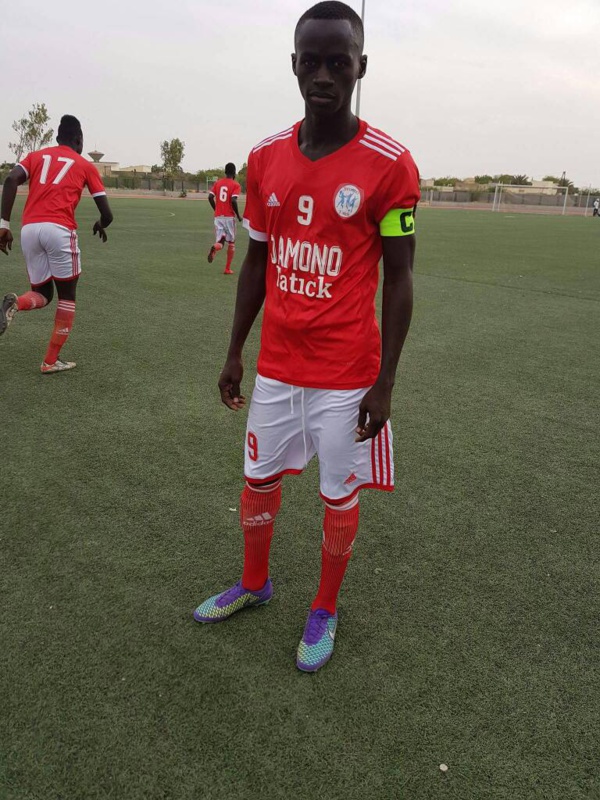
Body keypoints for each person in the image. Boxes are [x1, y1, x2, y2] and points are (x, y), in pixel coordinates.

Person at [193, 0, 420, 672]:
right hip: (277, 367)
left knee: (335, 496)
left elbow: (401, 280)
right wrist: (236, 349)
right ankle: (255, 585)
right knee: (257, 478)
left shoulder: (390, 164)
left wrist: (385, 383)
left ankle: (324, 606)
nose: (324, 73)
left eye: (338, 61)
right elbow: (257, 262)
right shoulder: (263, 159)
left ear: (361, 67)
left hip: (347, 375)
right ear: (293, 65)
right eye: (311, 61)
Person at [0, 114, 113, 372]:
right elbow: (107, 214)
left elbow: (10, 180)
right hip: (59, 229)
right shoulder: (85, 165)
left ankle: (16, 301)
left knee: (42, 293)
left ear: (57, 137)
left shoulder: (37, 156)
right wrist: (101, 224)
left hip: (29, 229)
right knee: (67, 296)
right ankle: (50, 361)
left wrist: (4, 225)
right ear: (79, 139)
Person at [207, 163, 242, 274]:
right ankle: (227, 268)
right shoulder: (236, 185)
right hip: (229, 217)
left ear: (225, 172)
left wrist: (216, 209)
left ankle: (215, 247)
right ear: (234, 172)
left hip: (218, 217)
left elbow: (210, 197)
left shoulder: (218, 183)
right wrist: (238, 215)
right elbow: (233, 200)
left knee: (221, 241)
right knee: (231, 243)